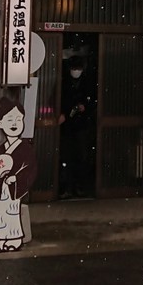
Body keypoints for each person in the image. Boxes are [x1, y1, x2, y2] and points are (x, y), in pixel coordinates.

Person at [0, 98, 37, 252]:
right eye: (10, 120)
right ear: (0, 123)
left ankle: (14, 238)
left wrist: (17, 178)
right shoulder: (0, 150)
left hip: (13, 188)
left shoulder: (25, 148)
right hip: (1, 188)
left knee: (12, 212)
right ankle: (3, 238)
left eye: (18, 119)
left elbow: (30, 167)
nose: (14, 123)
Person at [59, 52, 97, 197]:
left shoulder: (87, 83)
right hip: (67, 126)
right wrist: (64, 112)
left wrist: (85, 106)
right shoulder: (64, 83)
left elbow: (93, 102)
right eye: (74, 68)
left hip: (82, 125)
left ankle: (79, 186)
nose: (76, 71)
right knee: (65, 157)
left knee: (81, 157)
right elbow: (60, 100)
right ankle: (65, 188)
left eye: (78, 68)